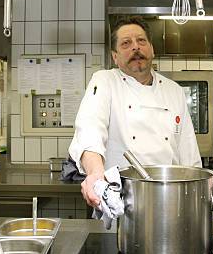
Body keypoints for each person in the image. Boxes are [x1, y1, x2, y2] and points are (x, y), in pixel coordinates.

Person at [69, 17, 201, 208]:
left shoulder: (173, 90)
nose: (135, 48)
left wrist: (199, 186)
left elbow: (188, 151)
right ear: (115, 56)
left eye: (141, 41)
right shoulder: (105, 81)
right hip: (121, 199)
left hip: (169, 198)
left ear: (152, 49)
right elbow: (90, 130)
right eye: (126, 43)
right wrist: (95, 174)